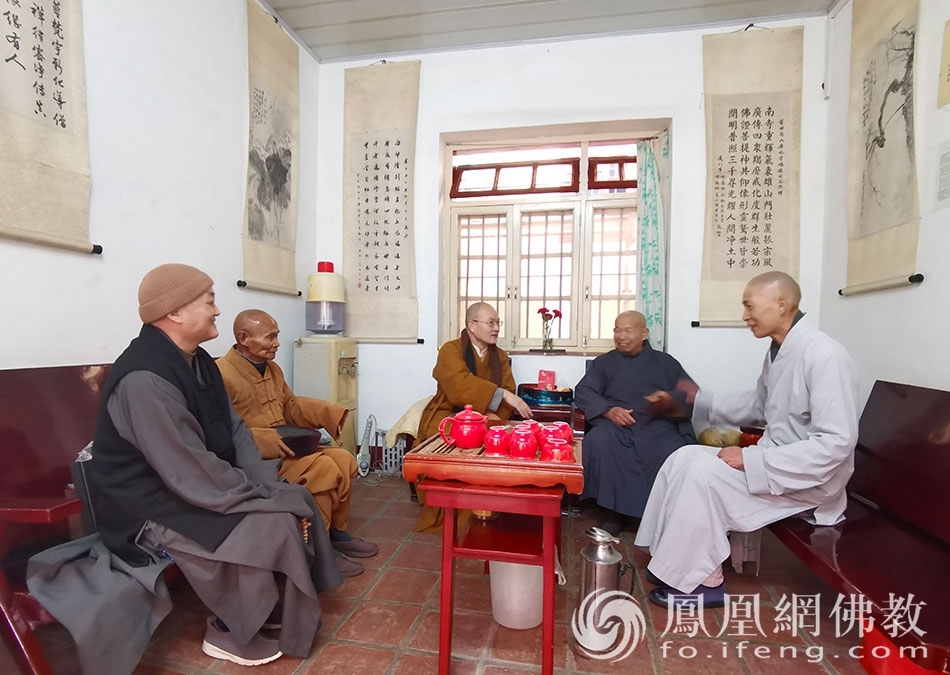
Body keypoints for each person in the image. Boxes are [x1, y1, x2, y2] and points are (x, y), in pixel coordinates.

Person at [30, 264, 342, 671]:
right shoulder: (144, 378)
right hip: (147, 506)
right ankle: (230, 629)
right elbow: (184, 465)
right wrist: (251, 495)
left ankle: (268, 608)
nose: (217, 311)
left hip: (191, 485)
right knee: (257, 524)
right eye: (209, 300)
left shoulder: (200, 363)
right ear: (175, 313)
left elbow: (235, 432)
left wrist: (256, 482)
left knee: (288, 498)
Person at [634, 271, 859, 609]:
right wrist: (698, 400)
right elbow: (759, 406)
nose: (744, 316)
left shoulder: (824, 355)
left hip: (807, 478)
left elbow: (837, 444)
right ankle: (672, 563)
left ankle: (703, 583)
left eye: (749, 306)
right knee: (684, 457)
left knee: (703, 476)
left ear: (781, 305)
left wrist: (753, 460)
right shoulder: (780, 352)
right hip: (775, 463)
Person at [216, 309, 378, 577]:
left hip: (286, 445)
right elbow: (221, 431)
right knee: (323, 468)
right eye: (270, 337)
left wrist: (328, 412)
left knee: (343, 458)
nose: (277, 343)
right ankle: (321, 551)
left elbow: (289, 407)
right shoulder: (222, 374)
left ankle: (337, 533)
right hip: (255, 458)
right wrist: (267, 439)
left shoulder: (273, 369)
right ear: (244, 338)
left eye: (277, 336)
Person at [413, 302, 534, 532]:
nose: (496, 328)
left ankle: (490, 506)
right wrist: (500, 395)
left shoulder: (499, 355)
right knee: (444, 443)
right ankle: (447, 512)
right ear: (471, 325)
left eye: (498, 322)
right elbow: (459, 386)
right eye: (491, 322)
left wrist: (492, 415)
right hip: (449, 413)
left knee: (497, 440)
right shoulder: (451, 350)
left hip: (487, 417)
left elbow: (509, 388)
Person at [574, 310, 697, 535]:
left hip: (656, 424)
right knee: (599, 441)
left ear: (644, 333)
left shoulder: (666, 363)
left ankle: (659, 515)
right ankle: (612, 512)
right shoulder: (604, 363)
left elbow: (690, 395)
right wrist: (609, 410)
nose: (621, 336)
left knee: (673, 449)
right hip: (616, 425)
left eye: (627, 330)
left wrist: (667, 401)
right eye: (616, 330)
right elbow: (584, 391)